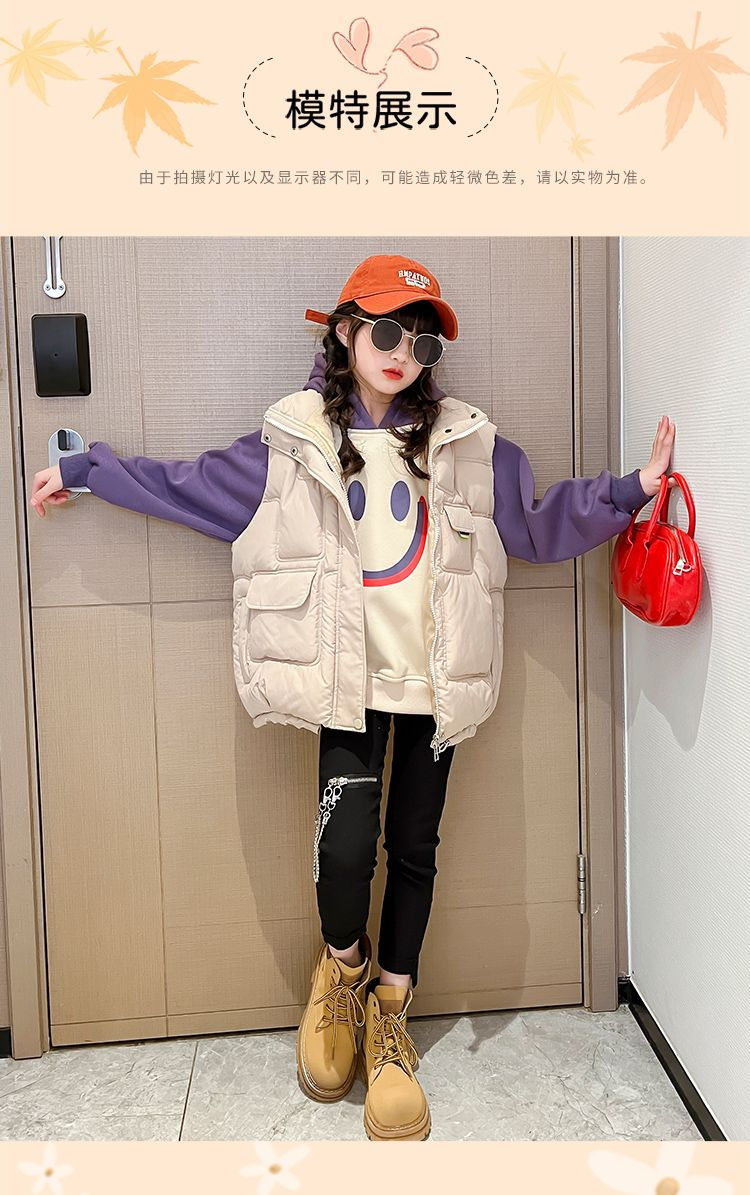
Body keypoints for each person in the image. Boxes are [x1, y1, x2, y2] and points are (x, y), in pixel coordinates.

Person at [30, 253, 676, 1142]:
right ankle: (342, 972)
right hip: (345, 685)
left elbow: (535, 520)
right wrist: (91, 471)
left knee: (415, 846)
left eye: (422, 341)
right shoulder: (292, 443)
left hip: (437, 683)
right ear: (344, 332)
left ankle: (391, 1013)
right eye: (387, 332)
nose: (403, 353)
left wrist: (631, 491)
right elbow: (188, 486)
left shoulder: (467, 441)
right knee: (344, 851)